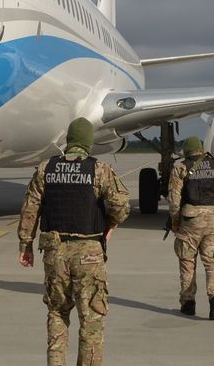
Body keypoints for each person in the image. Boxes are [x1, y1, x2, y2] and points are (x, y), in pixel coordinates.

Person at [18, 117, 130, 366]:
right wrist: (110, 225)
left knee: (57, 313)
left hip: (54, 252)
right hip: (89, 253)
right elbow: (121, 206)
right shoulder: (99, 169)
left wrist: (25, 245)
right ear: (89, 142)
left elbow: (30, 209)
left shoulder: (46, 168)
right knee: (91, 321)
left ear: (69, 141)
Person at [168, 136, 214, 320]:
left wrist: (175, 222)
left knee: (187, 263)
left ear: (186, 152)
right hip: (213, 220)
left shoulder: (180, 168)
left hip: (190, 220)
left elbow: (174, 201)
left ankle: (188, 303)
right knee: (213, 263)